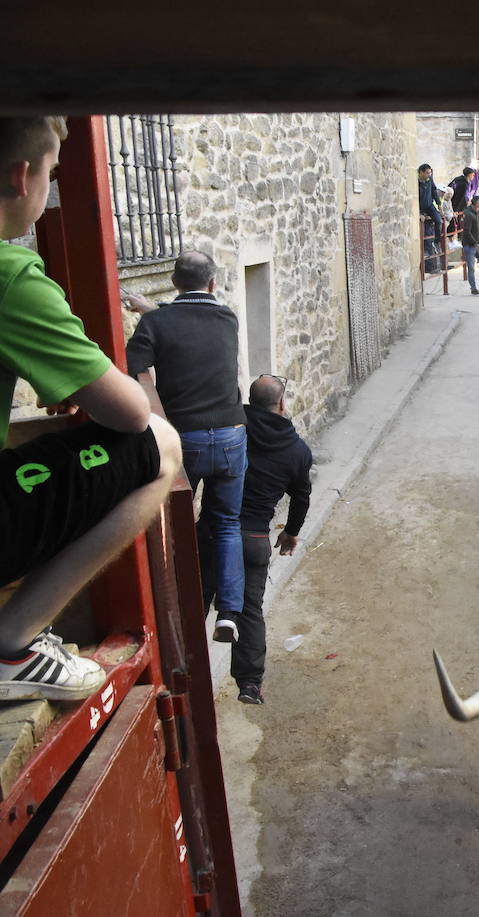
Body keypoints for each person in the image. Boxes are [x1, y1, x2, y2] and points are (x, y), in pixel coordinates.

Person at [0, 115, 182, 700]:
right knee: (159, 444)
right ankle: (12, 644)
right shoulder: (11, 277)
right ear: (19, 176)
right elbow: (127, 413)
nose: (50, 189)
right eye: (52, 172)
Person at [124, 251, 249, 645]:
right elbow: (189, 318)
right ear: (212, 284)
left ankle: (178, 604)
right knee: (227, 523)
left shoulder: (157, 324)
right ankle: (229, 613)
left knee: (173, 524)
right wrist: (153, 312)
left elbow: (134, 366)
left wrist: (149, 316)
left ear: (175, 283)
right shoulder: (227, 318)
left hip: (186, 440)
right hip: (231, 435)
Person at [201, 374, 311, 705]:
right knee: (249, 610)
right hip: (253, 538)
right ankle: (249, 684)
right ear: (281, 403)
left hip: (211, 532)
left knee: (192, 602)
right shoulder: (297, 450)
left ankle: (183, 671)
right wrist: (290, 532)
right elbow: (302, 496)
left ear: (250, 400)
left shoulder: (234, 426)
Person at [417, 164, 445, 274]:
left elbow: (434, 192)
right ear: (421, 172)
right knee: (425, 232)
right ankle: (427, 256)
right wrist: (419, 213)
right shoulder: (416, 182)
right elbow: (414, 198)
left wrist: (439, 205)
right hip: (421, 206)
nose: (429, 175)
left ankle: (437, 241)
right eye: (427, 173)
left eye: (430, 173)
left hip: (429, 206)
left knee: (438, 220)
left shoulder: (430, 180)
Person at [461, 193, 479, 296]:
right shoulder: (468, 214)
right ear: (475, 203)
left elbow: (478, 231)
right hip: (470, 245)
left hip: (477, 243)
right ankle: (473, 288)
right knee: (471, 267)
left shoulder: (477, 212)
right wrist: (475, 244)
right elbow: (467, 232)